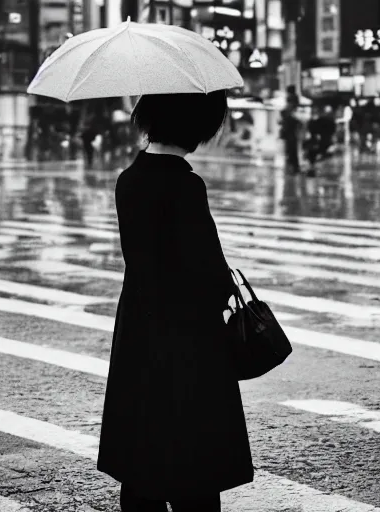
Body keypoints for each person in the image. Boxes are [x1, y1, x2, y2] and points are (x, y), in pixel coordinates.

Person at [99, 90, 252, 512]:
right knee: (194, 465)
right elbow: (210, 273)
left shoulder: (129, 178)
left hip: (139, 330)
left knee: (142, 458)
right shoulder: (185, 184)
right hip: (189, 338)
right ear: (193, 126)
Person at [281, 86, 302, 175]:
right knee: (292, 151)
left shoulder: (291, 115)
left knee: (291, 151)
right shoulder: (293, 113)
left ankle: (293, 168)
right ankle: (294, 167)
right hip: (291, 134)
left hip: (291, 135)